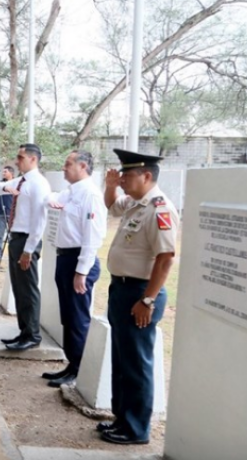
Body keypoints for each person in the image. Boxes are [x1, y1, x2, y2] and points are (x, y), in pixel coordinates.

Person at [96, 149, 177, 446]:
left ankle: (136, 428)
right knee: (122, 358)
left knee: (137, 364)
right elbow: (111, 205)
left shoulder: (159, 209)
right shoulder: (135, 202)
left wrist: (147, 300)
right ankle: (122, 418)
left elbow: (166, 258)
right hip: (122, 289)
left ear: (146, 176)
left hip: (140, 294)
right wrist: (110, 186)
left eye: (127, 176)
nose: (123, 180)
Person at [42, 151, 107, 387]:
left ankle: (79, 369)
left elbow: (93, 236)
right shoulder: (70, 192)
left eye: (68, 164)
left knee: (78, 318)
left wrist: (81, 271)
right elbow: (49, 197)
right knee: (68, 317)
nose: (63, 167)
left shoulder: (90, 195)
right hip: (65, 259)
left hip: (78, 261)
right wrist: (50, 199)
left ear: (82, 166)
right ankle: (72, 363)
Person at [0, 144, 51, 351]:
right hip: (16, 237)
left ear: (33, 159)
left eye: (20, 157)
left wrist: (29, 250)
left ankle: (33, 334)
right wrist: (5, 187)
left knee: (28, 289)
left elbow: (39, 221)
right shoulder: (23, 180)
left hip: (27, 240)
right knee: (19, 288)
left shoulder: (39, 184)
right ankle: (23, 331)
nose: (16, 161)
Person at [0, 166, 15, 261]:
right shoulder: (0, 184)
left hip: (12, 213)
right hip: (1, 212)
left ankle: (12, 253)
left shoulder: (15, 183)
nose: (3, 173)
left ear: (11, 173)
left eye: (5, 172)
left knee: (12, 235)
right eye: (3, 172)